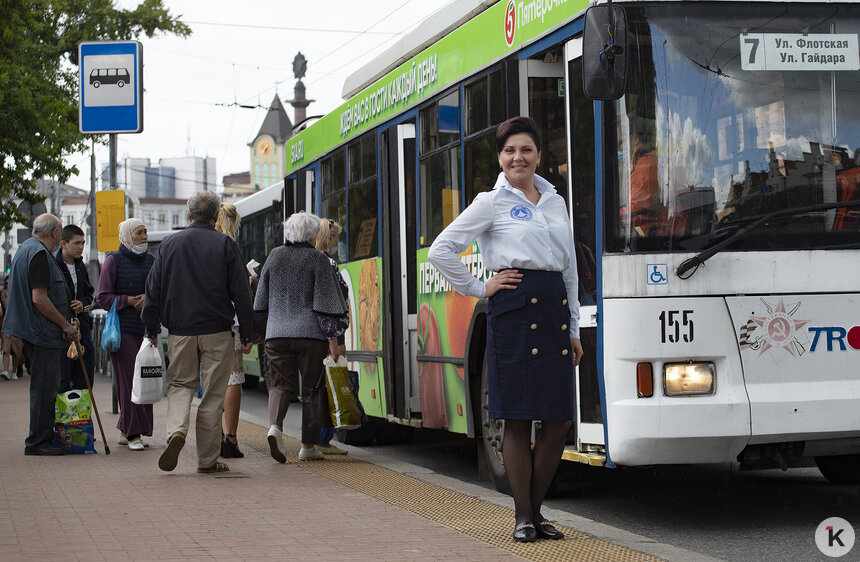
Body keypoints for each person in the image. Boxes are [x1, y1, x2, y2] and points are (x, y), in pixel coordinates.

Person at [428, 116, 583, 543]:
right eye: (510, 150)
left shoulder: (555, 200)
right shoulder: (490, 201)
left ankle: (536, 511)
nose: (519, 157)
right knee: (516, 420)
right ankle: (522, 516)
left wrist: (573, 328)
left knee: (557, 421)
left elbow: (567, 268)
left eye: (527, 150)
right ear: (500, 157)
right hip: (512, 309)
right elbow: (442, 249)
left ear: (538, 155)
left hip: (552, 309)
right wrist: (480, 287)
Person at [143, 191, 254, 474]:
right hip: (217, 330)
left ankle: (177, 432)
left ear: (188, 214)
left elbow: (152, 290)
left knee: (180, 386)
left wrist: (151, 327)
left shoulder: (168, 245)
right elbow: (241, 292)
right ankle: (207, 460)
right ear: (216, 216)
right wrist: (249, 332)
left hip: (180, 330)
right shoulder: (226, 245)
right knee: (213, 395)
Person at [254, 211, 347, 463]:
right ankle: (307, 446)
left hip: (276, 334)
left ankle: (275, 427)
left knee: (279, 384)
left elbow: (260, 301)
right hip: (310, 336)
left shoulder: (274, 256)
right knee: (311, 390)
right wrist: (335, 339)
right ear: (313, 234)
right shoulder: (318, 260)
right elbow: (326, 305)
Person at [2, 214, 78, 455]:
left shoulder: (25, 249)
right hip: (42, 331)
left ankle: (40, 438)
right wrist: (65, 324)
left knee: (42, 385)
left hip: (32, 328)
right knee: (46, 387)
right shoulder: (39, 254)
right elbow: (39, 298)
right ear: (55, 231)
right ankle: (38, 442)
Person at [96, 218, 155, 452]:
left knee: (145, 379)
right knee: (130, 381)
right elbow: (102, 296)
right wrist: (129, 300)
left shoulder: (151, 260)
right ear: (128, 236)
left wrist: (148, 300)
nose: (144, 237)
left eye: (145, 232)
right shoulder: (114, 260)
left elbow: (157, 290)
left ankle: (125, 429)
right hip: (123, 330)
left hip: (146, 329)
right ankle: (133, 433)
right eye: (139, 233)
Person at [313, 218, 349, 456]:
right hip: (331, 333)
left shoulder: (316, 261)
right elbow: (335, 301)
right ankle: (322, 439)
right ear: (329, 238)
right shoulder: (328, 264)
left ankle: (318, 437)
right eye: (335, 237)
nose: (337, 242)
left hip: (317, 333)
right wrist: (337, 341)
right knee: (328, 386)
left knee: (318, 385)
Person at [214, 203, 246, 459]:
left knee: (210, 379)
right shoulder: (230, 246)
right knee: (232, 379)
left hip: (202, 322)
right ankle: (230, 438)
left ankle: (211, 435)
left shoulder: (203, 243)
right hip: (230, 322)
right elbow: (240, 291)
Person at [55, 225, 95, 393]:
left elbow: (89, 295)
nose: (80, 247)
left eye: (83, 243)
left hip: (82, 332)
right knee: (62, 384)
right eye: (76, 243)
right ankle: (62, 419)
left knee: (84, 384)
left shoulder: (80, 267)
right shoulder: (55, 266)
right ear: (63, 243)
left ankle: (83, 419)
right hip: (62, 333)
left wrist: (82, 304)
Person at [618, 126, 660, 236]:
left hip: (648, 233)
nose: (621, 148)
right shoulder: (641, 160)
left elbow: (637, 209)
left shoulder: (645, 165)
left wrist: (612, 217)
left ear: (635, 138)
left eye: (621, 142)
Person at [1, 275, 25, 381]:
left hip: (18, 325)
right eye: (6, 283)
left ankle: (14, 371)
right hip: (6, 324)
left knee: (16, 349)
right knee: (6, 347)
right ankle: (6, 371)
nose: (8, 284)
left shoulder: (20, 292)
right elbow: (5, 307)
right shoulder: (4, 293)